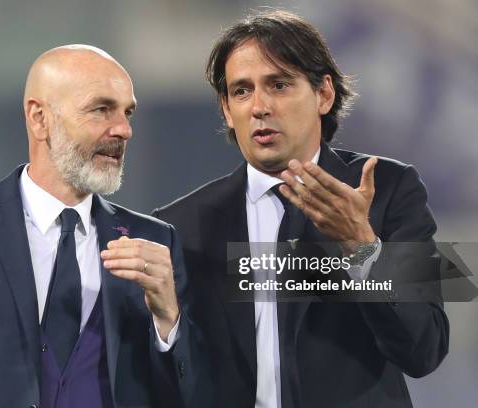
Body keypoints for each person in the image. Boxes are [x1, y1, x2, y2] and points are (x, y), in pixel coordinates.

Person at [0, 45, 209, 408]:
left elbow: (194, 395)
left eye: (127, 112)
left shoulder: (155, 241)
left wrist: (169, 319)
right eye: (101, 109)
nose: (124, 129)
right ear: (39, 118)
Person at [154, 11, 449, 408]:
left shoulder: (390, 190)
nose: (259, 106)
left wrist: (362, 249)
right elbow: (165, 375)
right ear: (226, 109)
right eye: (241, 91)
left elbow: (425, 351)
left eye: (278, 84)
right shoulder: (180, 225)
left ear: (324, 94)